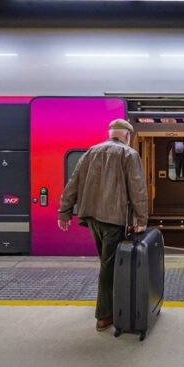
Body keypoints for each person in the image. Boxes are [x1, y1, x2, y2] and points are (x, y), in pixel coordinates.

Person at [57, 119, 148, 332]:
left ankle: (111, 306)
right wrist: (141, 220)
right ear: (127, 136)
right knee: (109, 267)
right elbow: (138, 190)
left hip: (91, 217)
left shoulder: (91, 151)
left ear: (110, 134)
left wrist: (65, 211)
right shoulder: (129, 154)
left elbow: (74, 182)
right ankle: (104, 316)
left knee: (107, 263)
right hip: (113, 219)